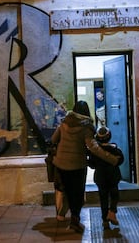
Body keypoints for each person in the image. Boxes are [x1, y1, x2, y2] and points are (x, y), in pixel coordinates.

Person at [51, 100, 119, 233]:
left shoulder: (64, 123)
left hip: (61, 164)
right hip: (77, 165)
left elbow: (54, 139)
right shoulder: (86, 127)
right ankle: (74, 220)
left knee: (69, 193)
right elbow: (93, 147)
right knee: (78, 194)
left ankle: (71, 218)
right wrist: (112, 159)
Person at [88, 126, 124, 230]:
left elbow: (91, 165)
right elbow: (121, 161)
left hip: (100, 178)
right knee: (114, 196)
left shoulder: (95, 152)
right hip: (113, 177)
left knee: (103, 199)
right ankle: (112, 212)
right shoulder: (115, 150)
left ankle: (105, 220)